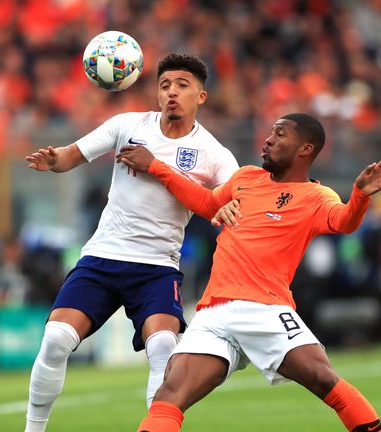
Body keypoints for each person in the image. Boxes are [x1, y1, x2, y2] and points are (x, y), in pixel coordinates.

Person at [117, 113, 381, 432]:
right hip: (213, 311)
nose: (268, 139)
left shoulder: (316, 197)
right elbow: (206, 202)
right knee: (168, 395)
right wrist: (156, 166)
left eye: (280, 134)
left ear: (304, 149)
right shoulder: (246, 178)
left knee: (324, 379)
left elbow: (344, 222)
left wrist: (361, 196)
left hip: (264, 308)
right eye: (270, 132)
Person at [22, 53, 239, 431]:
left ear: (201, 97)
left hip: (157, 266)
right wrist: (53, 159)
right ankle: (33, 429)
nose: (172, 92)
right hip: (103, 258)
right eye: (165, 85)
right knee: (56, 338)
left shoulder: (214, 153)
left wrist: (163, 169)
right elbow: (71, 156)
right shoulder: (127, 125)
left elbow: (232, 198)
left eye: (182, 85)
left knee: (162, 348)